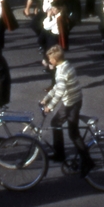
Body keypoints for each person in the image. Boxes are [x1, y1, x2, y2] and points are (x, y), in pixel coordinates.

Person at [40, 46, 94, 176]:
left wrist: (50, 106)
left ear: (54, 59)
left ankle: (87, 161)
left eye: (50, 59)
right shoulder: (66, 65)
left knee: (73, 133)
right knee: (58, 124)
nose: (48, 61)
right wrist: (46, 99)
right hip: (74, 100)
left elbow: (60, 91)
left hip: (71, 103)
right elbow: (57, 87)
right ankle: (60, 154)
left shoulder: (61, 71)